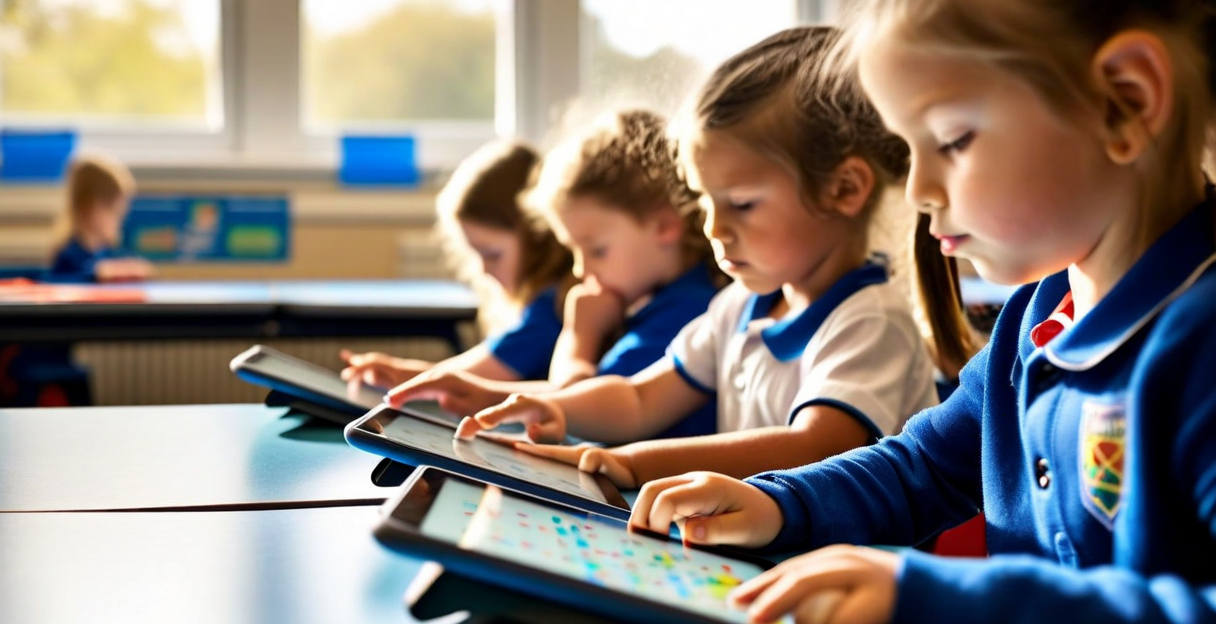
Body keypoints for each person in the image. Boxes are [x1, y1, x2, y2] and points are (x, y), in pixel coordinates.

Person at [629, 2, 1216, 624]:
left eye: (954, 140)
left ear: (1124, 103)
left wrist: (950, 599)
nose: (917, 190)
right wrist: (780, 502)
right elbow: (923, 468)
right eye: (911, 148)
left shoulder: (1202, 343)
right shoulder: (1036, 318)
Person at [457, 26, 974, 489]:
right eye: (705, 202)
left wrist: (633, 463)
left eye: (742, 204)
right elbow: (639, 399)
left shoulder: (870, 321)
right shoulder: (739, 306)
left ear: (844, 189)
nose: (713, 229)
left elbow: (814, 448)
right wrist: (551, 406)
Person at [387, 110, 723, 440]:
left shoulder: (686, 313)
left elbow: (577, 403)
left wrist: (581, 334)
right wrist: (485, 394)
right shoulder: (654, 303)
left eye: (597, 250)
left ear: (664, 226)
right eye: (573, 250)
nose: (580, 269)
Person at [341, 140, 573, 389]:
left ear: (539, 240)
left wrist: (399, 374)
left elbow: (480, 373)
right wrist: (398, 372)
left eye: (493, 255)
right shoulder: (538, 300)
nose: (484, 270)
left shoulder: (551, 307)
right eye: (476, 255)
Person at [48, 154, 152, 283]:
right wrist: (95, 275)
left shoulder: (105, 252)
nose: (119, 223)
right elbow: (57, 283)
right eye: (115, 213)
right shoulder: (70, 253)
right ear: (92, 208)